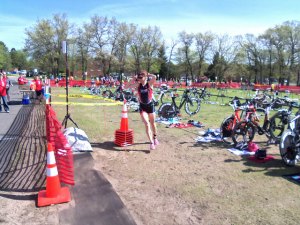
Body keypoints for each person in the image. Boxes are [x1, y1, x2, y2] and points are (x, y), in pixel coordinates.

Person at [125, 70, 159, 150]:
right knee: (147, 124)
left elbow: (155, 77)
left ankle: (155, 137)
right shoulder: (138, 85)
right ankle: (151, 142)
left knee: (153, 124)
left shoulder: (149, 84)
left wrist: (149, 74)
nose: (139, 79)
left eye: (141, 77)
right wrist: (132, 79)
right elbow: (126, 87)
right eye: (139, 77)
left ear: (145, 77)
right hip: (142, 107)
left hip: (150, 106)